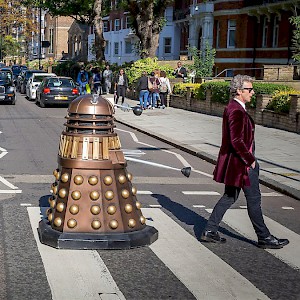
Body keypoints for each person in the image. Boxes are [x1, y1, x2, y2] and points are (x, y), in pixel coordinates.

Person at [200, 74, 289, 249]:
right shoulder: (236, 110)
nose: (253, 92)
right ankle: (264, 237)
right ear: (239, 91)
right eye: (249, 89)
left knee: (229, 197)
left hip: (236, 164)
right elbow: (236, 140)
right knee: (254, 199)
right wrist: (250, 160)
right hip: (243, 166)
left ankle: (209, 231)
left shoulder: (235, 107)